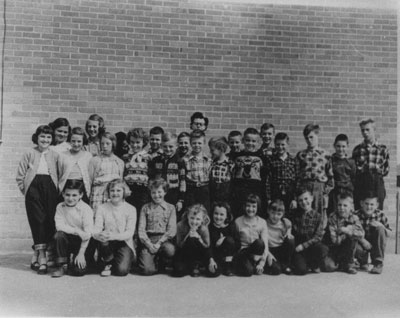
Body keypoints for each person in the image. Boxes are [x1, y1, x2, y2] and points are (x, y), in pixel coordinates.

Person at [16, 125, 60, 274]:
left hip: (50, 189)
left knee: (49, 221)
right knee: (37, 220)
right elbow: (20, 176)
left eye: (48, 137)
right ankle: (42, 258)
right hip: (33, 189)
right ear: (37, 137)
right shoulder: (29, 153)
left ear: (52, 139)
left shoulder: (54, 155)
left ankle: (37, 253)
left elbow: (59, 174)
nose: (45, 140)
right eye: (42, 136)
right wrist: (27, 190)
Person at [93, 180, 137, 276]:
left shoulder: (131, 209)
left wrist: (112, 236)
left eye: (118, 190)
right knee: (103, 239)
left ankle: (116, 261)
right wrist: (99, 235)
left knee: (121, 271)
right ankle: (108, 262)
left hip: (124, 242)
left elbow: (129, 233)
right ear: (108, 192)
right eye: (112, 190)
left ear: (124, 192)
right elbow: (97, 228)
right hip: (107, 243)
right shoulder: (102, 208)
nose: (115, 193)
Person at [52, 180, 93, 277]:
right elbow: (59, 226)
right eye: (67, 195)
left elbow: (87, 234)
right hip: (67, 240)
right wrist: (77, 231)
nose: (70, 198)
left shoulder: (86, 209)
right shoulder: (60, 207)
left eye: (74, 195)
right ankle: (61, 265)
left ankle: (78, 260)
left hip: (82, 243)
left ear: (81, 195)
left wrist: (81, 253)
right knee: (59, 235)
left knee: (78, 272)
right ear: (63, 194)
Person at [295, 124, 334, 226]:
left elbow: (330, 175)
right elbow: (297, 174)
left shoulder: (326, 154)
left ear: (317, 136)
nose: (309, 140)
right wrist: (298, 191)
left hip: (319, 187)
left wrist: (325, 191)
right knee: (304, 211)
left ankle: (317, 238)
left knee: (318, 213)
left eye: (311, 137)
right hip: (305, 186)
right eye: (306, 138)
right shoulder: (301, 155)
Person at [137, 178, 177, 275]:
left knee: (170, 250)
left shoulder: (171, 208)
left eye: (159, 192)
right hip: (149, 240)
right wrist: (149, 244)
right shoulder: (145, 208)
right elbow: (141, 230)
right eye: (153, 192)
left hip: (163, 240)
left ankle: (162, 261)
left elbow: (171, 230)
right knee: (147, 270)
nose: (156, 195)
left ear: (165, 192)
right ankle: (152, 261)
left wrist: (159, 243)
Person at [290, 189, 330, 275]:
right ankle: (303, 263)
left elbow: (318, 237)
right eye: (300, 200)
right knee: (301, 271)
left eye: (306, 199)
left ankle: (313, 263)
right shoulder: (294, 214)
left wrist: (304, 246)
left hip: (310, 247)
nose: (304, 202)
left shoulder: (318, 216)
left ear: (312, 198)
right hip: (298, 248)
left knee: (323, 249)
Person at [352, 118, 389, 210]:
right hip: (362, 182)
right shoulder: (357, 149)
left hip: (377, 181)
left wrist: (376, 176)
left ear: (374, 130)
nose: (365, 132)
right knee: (360, 208)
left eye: (367, 129)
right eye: (362, 130)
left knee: (377, 209)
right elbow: (354, 169)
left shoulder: (382, 149)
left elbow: (386, 169)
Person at [148, 132, 186, 218]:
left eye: (171, 146)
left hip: (174, 195)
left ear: (176, 146)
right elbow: (151, 179)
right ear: (161, 146)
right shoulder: (156, 160)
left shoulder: (180, 162)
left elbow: (183, 182)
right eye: (165, 146)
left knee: (172, 217)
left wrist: (181, 200)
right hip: (158, 194)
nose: (168, 149)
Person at [325, 192, 364, 275]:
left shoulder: (354, 217)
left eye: (345, 205)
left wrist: (347, 230)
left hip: (350, 246)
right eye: (339, 205)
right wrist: (344, 233)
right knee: (329, 267)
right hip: (336, 248)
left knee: (357, 246)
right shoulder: (332, 217)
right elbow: (335, 241)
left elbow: (361, 234)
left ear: (351, 207)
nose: (341, 208)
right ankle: (342, 263)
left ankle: (350, 264)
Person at [231, 128, 265, 218]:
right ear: (243, 141)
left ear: (258, 142)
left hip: (255, 189)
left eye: (253, 141)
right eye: (247, 140)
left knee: (253, 213)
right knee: (239, 213)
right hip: (239, 190)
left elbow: (264, 176)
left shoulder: (262, 157)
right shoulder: (237, 156)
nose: (250, 143)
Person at [233, 194, 269, 277]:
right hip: (243, 252)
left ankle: (256, 265)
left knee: (259, 242)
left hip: (256, 251)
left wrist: (262, 263)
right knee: (248, 272)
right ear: (244, 206)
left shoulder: (262, 222)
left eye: (254, 206)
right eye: (248, 206)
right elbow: (236, 244)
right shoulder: (238, 221)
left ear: (257, 207)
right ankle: (248, 265)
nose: (250, 209)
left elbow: (265, 244)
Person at [88, 132, 124, 214]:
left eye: (108, 143)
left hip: (113, 195)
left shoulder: (119, 162)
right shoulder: (95, 160)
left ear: (113, 144)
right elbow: (90, 181)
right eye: (102, 143)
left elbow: (120, 182)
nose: (104, 146)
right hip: (98, 195)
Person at [355, 192, 391, 274]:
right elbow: (352, 232)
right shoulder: (355, 215)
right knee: (352, 238)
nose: (369, 207)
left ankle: (378, 263)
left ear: (377, 205)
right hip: (361, 243)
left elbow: (389, 233)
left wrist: (382, 226)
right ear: (361, 203)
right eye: (366, 204)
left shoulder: (380, 215)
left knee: (380, 229)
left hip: (375, 243)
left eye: (372, 204)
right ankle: (362, 261)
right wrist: (362, 240)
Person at [172, 204, 211, 277]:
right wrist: (187, 236)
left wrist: (199, 238)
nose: (194, 221)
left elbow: (207, 246)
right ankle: (186, 266)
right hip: (183, 252)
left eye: (198, 219)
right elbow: (179, 244)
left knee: (193, 239)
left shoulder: (203, 228)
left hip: (198, 253)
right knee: (178, 272)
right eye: (192, 218)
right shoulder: (180, 225)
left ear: (202, 219)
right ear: (187, 217)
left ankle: (195, 265)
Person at [58, 127, 92, 204]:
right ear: (69, 141)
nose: (76, 144)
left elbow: (89, 175)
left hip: (82, 187)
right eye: (73, 141)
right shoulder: (63, 155)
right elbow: (60, 173)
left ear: (83, 141)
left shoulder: (88, 156)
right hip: (66, 185)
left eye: (79, 141)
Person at [182, 129, 212, 213]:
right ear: (190, 143)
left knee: (205, 212)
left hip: (204, 189)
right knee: (190, 211)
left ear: (204, 143)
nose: (197, 145)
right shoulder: (185, 159)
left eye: (199, 143)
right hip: (191, 189)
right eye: (194, 143)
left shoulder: (208, 160)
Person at [265, 132, 297, 213]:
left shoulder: (293, 160)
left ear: (287, 144)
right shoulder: (271, 160)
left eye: (283, 144)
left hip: (290, 192)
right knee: (276, 213)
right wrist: (268, 198)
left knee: (289, 215)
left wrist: (295, 199)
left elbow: (297, 180)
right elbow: (268, 180)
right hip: (276, 192)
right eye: (278, 144)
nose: (280, 147)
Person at [123, 128, 151, 214]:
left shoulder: (148, 157)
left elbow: (150, 175)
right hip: (128, 191)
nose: (135, 145)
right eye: (132, 142)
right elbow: (123, 174)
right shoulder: (125, 157)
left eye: (138, 142)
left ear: (144, 142)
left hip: (143, 193)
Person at [264, 199, 295, 275]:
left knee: (291, 239)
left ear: (282, 214)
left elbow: (289, 225)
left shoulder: (284, 222)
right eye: (273, 213)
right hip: (270, 250)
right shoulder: (264, 223)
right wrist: (268, 253)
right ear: (268, 211)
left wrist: (288, 232)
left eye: (278, 214)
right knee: (276, 271)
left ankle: (286, 264)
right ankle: (274, 266)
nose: (275, 216)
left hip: (281, 250)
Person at [327, 134, 356, 215]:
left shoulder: (351, 162)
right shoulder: (330, 161)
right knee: (333, 213)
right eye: (338, 146)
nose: (340, 149)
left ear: (347, 146)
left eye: (343, 146)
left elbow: (354, 179)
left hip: (347, 192)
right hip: (334, 192)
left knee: (346, 213)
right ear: (334, 146)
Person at [207, 202, 236, 277]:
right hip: (215, 256)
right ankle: (218, 266)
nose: (218, 217)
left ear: (227, 216)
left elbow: (237, 244)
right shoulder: (209, 227)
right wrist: (211, 260)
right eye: (216, 213)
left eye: (222, 214)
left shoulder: (231, 226)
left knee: (229, 240)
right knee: (213, 273)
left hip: (228, 257)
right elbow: (208, 246)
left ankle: (228, 266)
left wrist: (224, 238)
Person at [209, 137, 234, 204]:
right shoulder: (212, 164)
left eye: (212, 150)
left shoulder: (230, 164)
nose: (211, 152)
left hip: (226, 196)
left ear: (221, 149)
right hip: (213, 196)